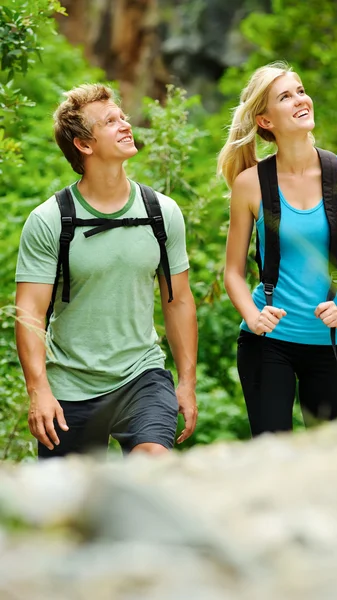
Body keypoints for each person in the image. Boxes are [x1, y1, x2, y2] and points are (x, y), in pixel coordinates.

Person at [15, 83, 198, 458]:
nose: (125, 124)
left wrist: (187, 382)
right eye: (110, 121)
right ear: (84, 145)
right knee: (69, 509)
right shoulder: (50, 220)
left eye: (123, 117)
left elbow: (177, 301)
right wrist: (39, 391)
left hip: (141, 375)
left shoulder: (161, 212)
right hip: (69, 384)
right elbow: (29, 312)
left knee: (153, 464)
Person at [218, 61, 337, 435]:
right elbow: (232, 273)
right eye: (285, 97)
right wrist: (253, 317)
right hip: (267, 343)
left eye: (301, 91)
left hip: (334, 341)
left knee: (332, 459)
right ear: (265, 120)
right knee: (272, 452)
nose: (300, 100)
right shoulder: (249, 184)